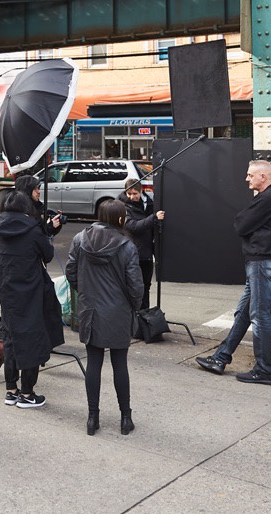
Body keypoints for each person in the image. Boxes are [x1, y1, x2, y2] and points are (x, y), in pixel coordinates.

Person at [196, 160, 271, 385]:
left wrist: (244, 222)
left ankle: (265, 370)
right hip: (263, 261)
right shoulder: (270, 197)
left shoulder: (268, 198)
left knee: (259, 315)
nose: (247, 179)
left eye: (250, 175)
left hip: (262, 262)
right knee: (245, 313)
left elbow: (240, 224)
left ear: (263, 177)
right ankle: (221, 358)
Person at [66, 199, 144, 436]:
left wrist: (85, 291)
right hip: (119, 311)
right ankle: (125, 418)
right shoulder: (127, 245)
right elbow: (136, 285)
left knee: (94, 362)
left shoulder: (80, 238)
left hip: (91, 310)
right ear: (120, 219)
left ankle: (92, 418)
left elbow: (71, 271)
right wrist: (134, 306)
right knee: (120, 364)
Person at [0, 190, 62, 409]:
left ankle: (11, 390)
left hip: (6, 290)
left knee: (10, 336)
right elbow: (48, 255)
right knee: (32, 338)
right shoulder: (32, 229)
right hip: (30, 290)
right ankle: (27, 393)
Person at [118, 178, 164, 310]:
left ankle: (144, 318)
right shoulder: (122, 206)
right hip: (132, 254)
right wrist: (154, 218)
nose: (132, 197)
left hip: (146, 253)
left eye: (135, 193)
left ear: (141, 191)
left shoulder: (148, 203)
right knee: (134, 288)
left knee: (145, 287)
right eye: (129, 194)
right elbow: (133, 226)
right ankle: (134, 318)